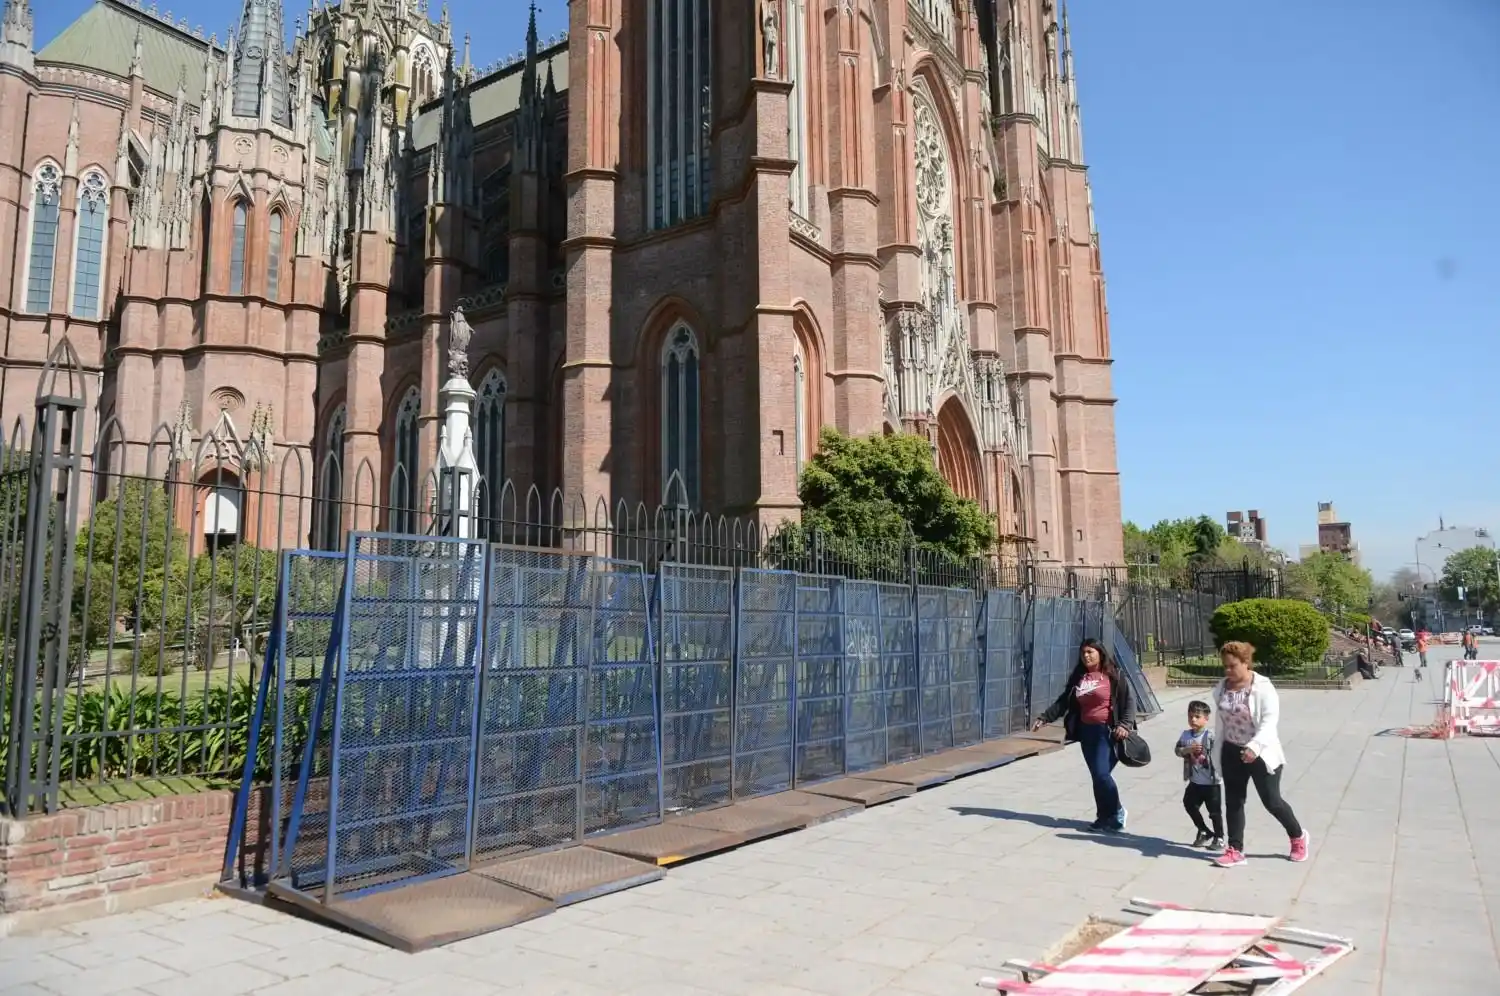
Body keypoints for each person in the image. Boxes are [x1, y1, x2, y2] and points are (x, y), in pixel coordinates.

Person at [1210, 640, 1309, 868]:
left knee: (1272, 801)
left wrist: (1255, 746)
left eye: (1232, 666)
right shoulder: (1222, 687)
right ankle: (1235, 849)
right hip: (1231, 751)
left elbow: (1269, 722)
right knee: (1234, 801)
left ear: (1246, 663)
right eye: (1224, 666)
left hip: (1261, 752)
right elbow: (1221, 723)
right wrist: (1219, 752)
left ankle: (1297, 836)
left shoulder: (1263, 687)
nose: (1228, 671)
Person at [1031, 638, 1137, 833]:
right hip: (1086, 733)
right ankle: (1103, 817)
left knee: (1102, 775)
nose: (1086, 656)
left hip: (1107, 732)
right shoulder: (1079, 677)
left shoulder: (1114, 676)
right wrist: (1045, 717)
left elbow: (1129, 701)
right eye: (1083, 653)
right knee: (1097, 776)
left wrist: (1125, 724)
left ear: (1100, 653)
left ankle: (1117, 811)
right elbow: (1064, 701)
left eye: (1090, 652)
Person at [1175, 700, 1224, 850]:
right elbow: (1177, 750)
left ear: (1206, 718)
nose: (1193, 720)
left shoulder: (1211, 735)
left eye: (1197, 716)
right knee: (1189, 804)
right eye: (1190, 716)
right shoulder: (1185, 735)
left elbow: (1221, 753)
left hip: (1212, 782)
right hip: (1195, 781)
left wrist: (1208, 752)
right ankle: (1203, 830)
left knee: (1214, 812)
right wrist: (1187, 750)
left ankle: (1219, 837)